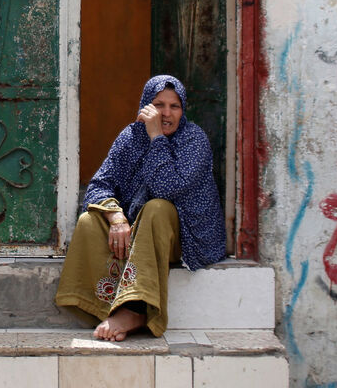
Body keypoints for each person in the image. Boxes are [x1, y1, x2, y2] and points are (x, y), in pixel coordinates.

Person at [54, 74, 226, 341]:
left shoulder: (194, 139)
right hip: (138, 229)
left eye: (174, 106)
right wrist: (116, 216)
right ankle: (104, 307)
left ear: (183, 110)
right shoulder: (131, 136)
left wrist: (156, 136)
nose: (166, 114)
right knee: (90, 220)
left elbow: (166, 188)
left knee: (157, 207)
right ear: (146, 106)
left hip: (184, 238)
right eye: (159, 105)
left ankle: (135, 309)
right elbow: (99, 185)